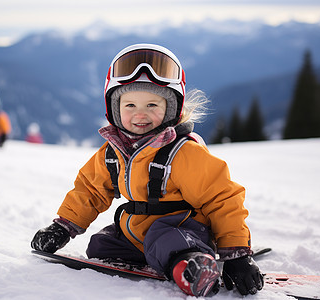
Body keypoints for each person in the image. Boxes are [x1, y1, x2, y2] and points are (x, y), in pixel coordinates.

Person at [31, 44, 263, 297]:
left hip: (184, 229)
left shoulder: (183, 153)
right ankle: (166, 258)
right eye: (130, 105)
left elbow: (221, 199)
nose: (140, 114)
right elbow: (90, 190)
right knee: (101, 244)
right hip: (138, 231)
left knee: (166, 240)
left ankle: (194, 267)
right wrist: (64, 226)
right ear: (115, 109)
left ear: (171, 108)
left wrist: (236, 253)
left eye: (152, 105)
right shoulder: (113, 152)